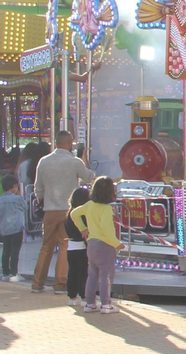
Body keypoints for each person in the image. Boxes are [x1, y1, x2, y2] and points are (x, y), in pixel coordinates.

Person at [31, 132, 95, 293]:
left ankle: (37, 283)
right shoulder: (74, 162)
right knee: (64, 245)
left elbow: (38, 188)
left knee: (46, 246)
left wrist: (43, 201)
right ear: (69, 144)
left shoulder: (43, 162)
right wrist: (84, 158)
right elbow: (89, 177)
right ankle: (59, 283)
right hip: (68, 211)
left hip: (49, 210)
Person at [69, 177, 124, 314]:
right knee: (106, 275)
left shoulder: (89, 205)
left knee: (92, 274)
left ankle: (90, 303)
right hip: (106, 244)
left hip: (91, 243)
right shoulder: (106, 209)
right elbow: (106, 229)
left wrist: (83, 228)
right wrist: (117, 244)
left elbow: (74, 213)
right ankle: (106, 304)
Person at [62, 186, 90, 307]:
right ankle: (84, 296)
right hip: (82, 247)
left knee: (72, 272)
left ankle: (72, 296)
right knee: (83, 272)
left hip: (71, 246)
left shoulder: (69, 214)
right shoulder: (82, 214)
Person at [0, 174, 26, 281]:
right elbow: (25, 207)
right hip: (17, 228)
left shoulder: (1, 200)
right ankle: (14, 273)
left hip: (5, 228)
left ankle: (5, 272)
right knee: (15, 250)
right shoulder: (17, 199)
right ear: (15, 186)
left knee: (6, 250)